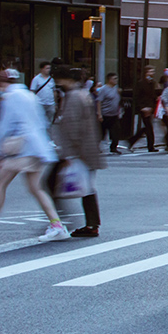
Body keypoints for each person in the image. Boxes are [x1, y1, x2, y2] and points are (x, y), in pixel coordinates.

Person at [0, 70, 68, 242]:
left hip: (22, 149)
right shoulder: (29, 95)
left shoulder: (10, 98)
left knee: (0, 183)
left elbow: (4, 126)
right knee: (35, 187)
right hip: (37, 148)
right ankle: (57, 225)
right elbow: (42, 121)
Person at [54, 67, 106, 237]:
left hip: (78, 151)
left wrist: (69, 154)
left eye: (59, 79)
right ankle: (92, 224)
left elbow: (73, 126)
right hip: (87, 149)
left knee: (49, 185)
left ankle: (56, 220)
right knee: (88, 188)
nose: (57, 83)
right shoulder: (83, 94)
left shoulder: (74, 96)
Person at [128, 66, 159, 152]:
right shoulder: (141, 83)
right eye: (151, 72)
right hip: (144, 107)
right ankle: (150, 146)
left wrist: (154, 104)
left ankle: (133, 140)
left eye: (153, 72)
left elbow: (152, 95)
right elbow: (137, 96)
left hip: (150, 107)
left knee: (147, 127)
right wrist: (142, 107)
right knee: (148, 127)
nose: (152, 73)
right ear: (146, 73)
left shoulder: (152, 83)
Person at [96, 74, 123, 154]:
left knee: (115, 132)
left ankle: (113, 147)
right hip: (105, 114)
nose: (116, 80)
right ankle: (96, 147)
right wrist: (99, 114)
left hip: (114, 114)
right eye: (114, 79)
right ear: (109, 80)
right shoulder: (103, 89)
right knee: (101, 133)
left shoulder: (116, 89)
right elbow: (99, 101)